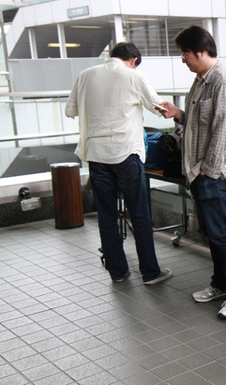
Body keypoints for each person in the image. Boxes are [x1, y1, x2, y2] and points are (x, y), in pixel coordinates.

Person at [159, 25, 226, 320]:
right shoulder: (200, 80)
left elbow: (224, 130)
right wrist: (178, 114)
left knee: (222, 233)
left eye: (184, 53)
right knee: (212, 232)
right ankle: (221, 285)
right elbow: (200, 124)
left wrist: (207, 172)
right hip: (198, 171)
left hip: (214, 173)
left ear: (200, 51)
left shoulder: (222, 81)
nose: (183, 59)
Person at [65, 42, 172, 285]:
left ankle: (117, 271)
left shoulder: (85, 75)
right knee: (139, 214)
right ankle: (150, 272)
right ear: (133, 60)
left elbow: (70, 111)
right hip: (126, 153)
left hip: (96, 154)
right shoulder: (133, 76)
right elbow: (160, 108)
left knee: (107, 215)